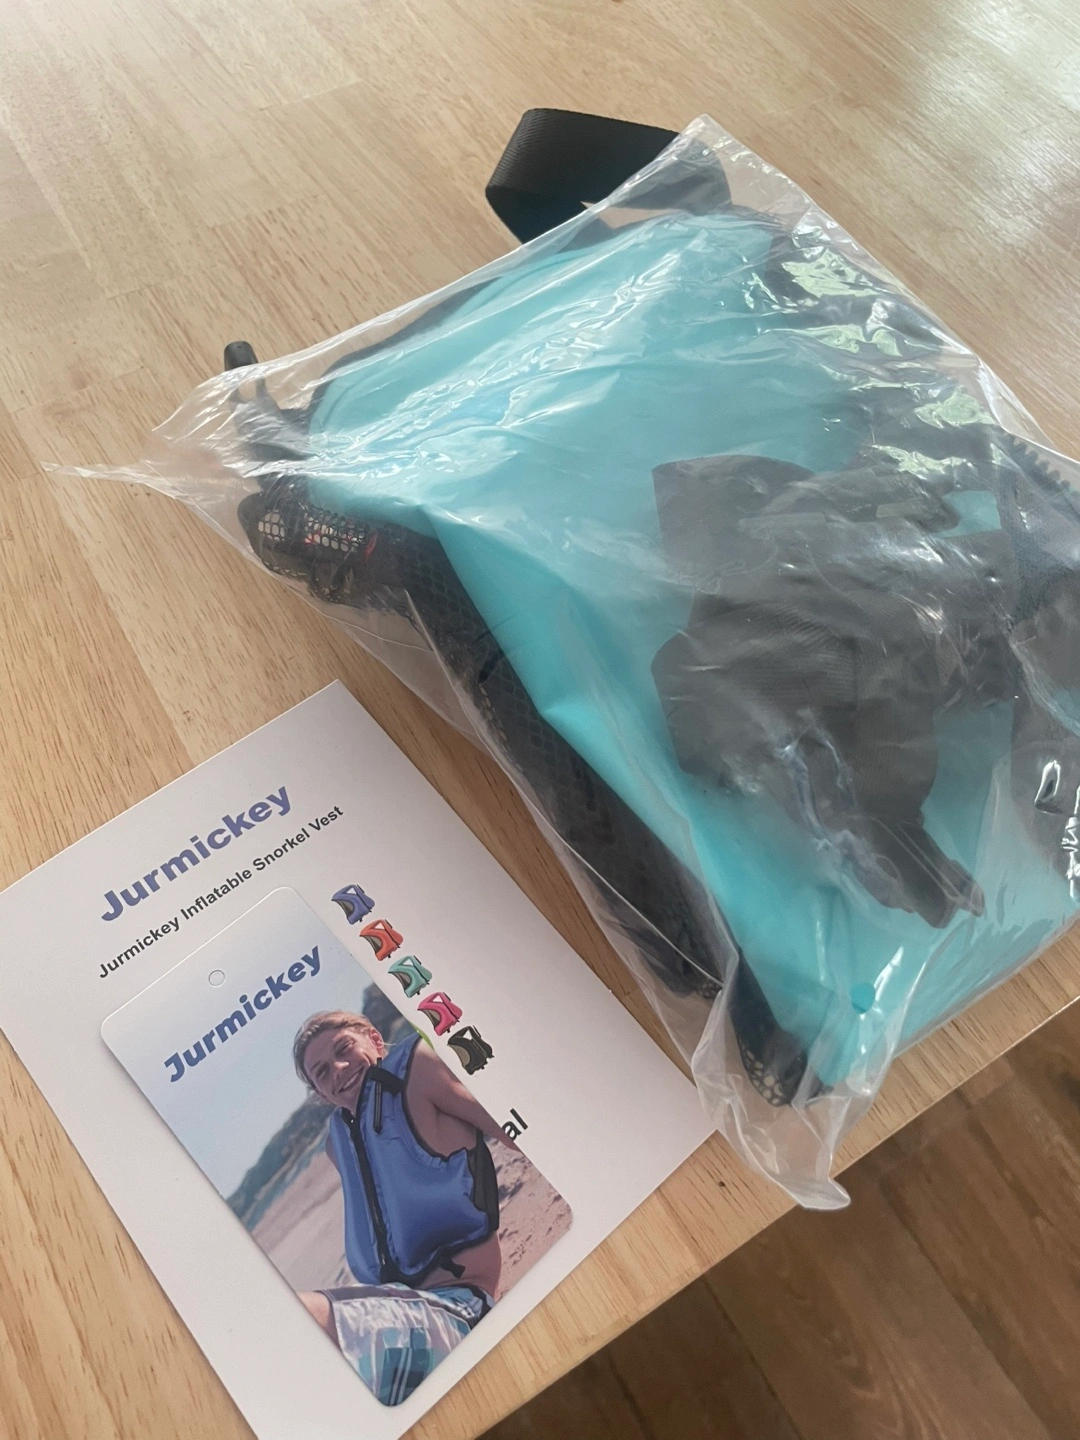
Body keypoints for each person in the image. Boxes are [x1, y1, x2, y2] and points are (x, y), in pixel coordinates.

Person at [292, 1009, 513, 1405]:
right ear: (321, 1093)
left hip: (461, 1311)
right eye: (322, 1073)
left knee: (300, 1318)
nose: (338, 1069)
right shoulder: (338, 1145)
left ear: (375, 1040)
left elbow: (514, 1130)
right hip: (402, 1310)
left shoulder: (417, 1072)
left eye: (344, 1049)